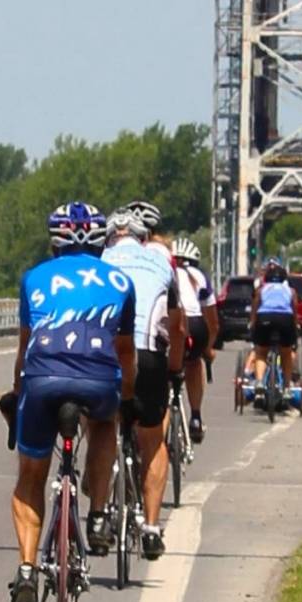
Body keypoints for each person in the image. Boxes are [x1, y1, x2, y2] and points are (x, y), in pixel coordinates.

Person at [4, 202, 135, 602]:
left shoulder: (33, 278)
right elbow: (125, 352)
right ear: (101, 243)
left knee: (31, 477)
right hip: (98, 378)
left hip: (43, 378)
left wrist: (18, 392)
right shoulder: (121, 281)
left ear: (54, 242)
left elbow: (24, 348)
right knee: (105, 423)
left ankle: (27, 571)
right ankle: (97, 516)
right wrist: (126, 398)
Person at [100, 201, 179, 560]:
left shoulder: (101, 261)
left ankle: (99, 512)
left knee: (101, 425)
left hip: (109, 354)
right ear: (143, 238)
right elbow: (176, 324)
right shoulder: (161, 262)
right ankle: (151, 527)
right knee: (153, 439)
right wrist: (173, 368)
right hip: (149, 355)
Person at [169, 237, 214, 442]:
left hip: (172, 321)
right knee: (194, 363)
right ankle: (196, 416)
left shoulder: (163, 271)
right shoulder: (199, 276)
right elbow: (212, 321)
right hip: (196, 324)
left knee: (165, 368)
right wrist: (208, 349)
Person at [244, 258, 302, 407]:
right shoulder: (291, 291)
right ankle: (287, 388)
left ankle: (259, 382)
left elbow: (255, 307)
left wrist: (252, 323)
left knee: (261, 353)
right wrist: (295, 325)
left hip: (265, 318)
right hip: (285, 319)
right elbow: (294, 309)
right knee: (286, 353)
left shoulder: (261, 289)